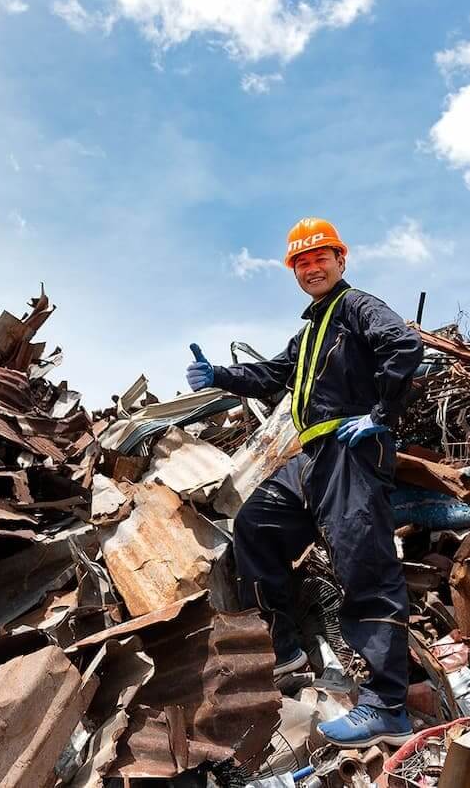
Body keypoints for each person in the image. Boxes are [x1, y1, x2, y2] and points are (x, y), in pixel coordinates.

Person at [186, 217, 423, 748]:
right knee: (256, 524)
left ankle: (387, 705)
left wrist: (382, 413)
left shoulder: (358, 307)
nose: (311, 268)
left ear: (341, 260)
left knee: (364, 562)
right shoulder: (314, 328)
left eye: (320, 258)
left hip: (352, 448)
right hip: (313, 454)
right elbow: (272, 375)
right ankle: (287, 649)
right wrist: (218, 376)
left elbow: (403, 348)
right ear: (294, 271)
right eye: (301, 261)